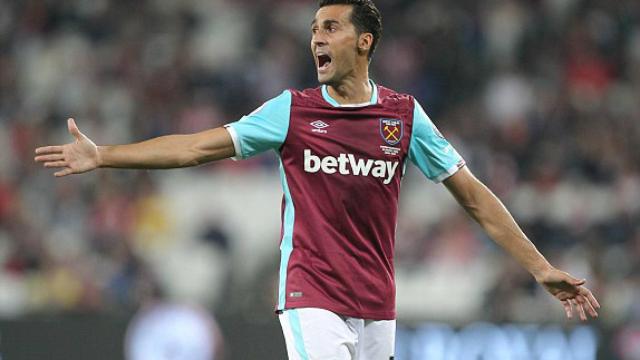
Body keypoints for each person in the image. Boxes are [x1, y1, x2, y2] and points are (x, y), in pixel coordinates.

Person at [35, 0, 600, 358]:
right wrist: (105, 155)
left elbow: (474, 198)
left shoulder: (403, 116)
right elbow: (195, 147)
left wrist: (541, 267)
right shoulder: (292, 111)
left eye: (330, 27)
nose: (316, 39)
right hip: (311, 293)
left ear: (365, 42)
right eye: (313, 29)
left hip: (377, 301)